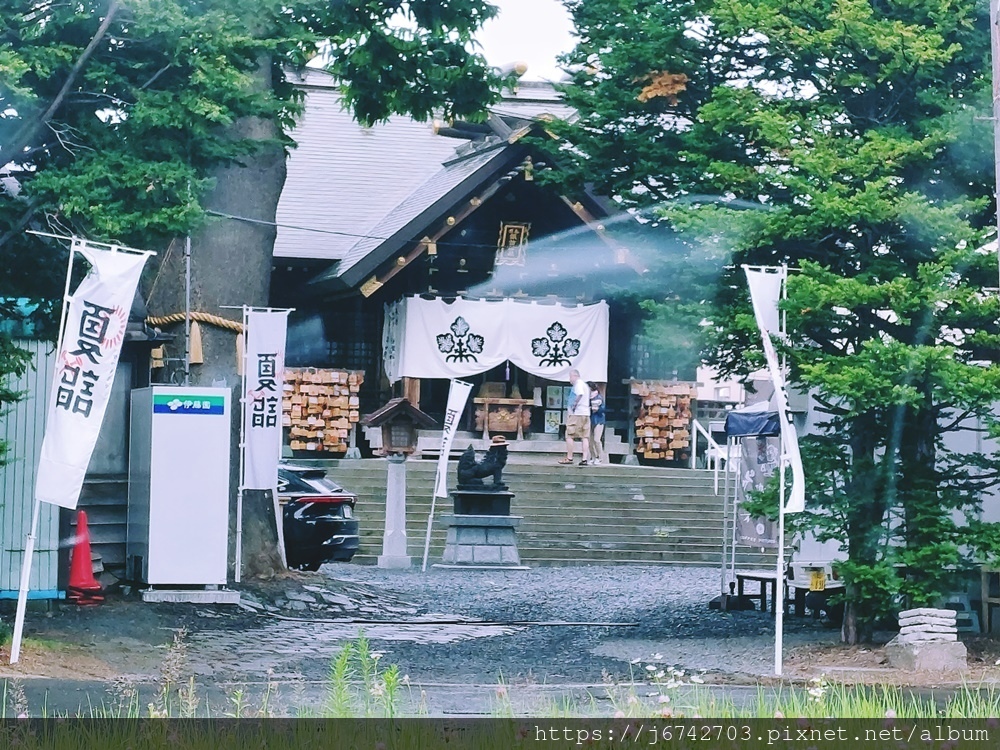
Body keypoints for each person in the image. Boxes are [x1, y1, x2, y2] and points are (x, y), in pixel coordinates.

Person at [560, 369, 591, 465]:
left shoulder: (578, 384)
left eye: (570, 377)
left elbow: (580, 394)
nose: (570, 380)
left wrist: (574, 404)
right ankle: (584, 458)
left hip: (577, 413)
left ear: (575, 376)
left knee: (569, 434)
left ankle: (569, 457)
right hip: (586, 413)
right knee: (585, 436)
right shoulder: (585, 385)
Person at [588, 383, 606, 465]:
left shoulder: (598, 397)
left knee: (596, 439)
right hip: (590, 420)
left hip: (599, 420)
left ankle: (600, 457)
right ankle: (593, 457)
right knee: (589, 440)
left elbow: (602, 409)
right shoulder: (587, 398)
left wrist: (596, 409)